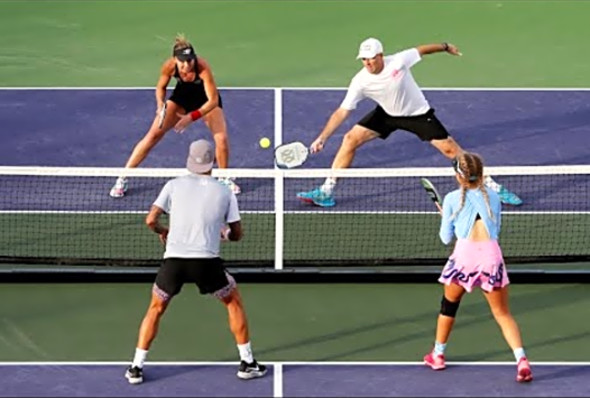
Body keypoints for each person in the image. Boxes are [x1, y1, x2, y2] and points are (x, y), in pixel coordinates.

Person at [296, 37, 522, 207]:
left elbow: (423, 50)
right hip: (386, 115)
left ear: (381, 55)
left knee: (451, 150)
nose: (368, 63)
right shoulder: (360, 81)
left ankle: (491, 188)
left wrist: (445, 46)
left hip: (417, 115)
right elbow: (342, 111)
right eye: (364, 59)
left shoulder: (399, 61)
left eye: (371, 58)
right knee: (350, 139)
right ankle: (327, 191)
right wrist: (323, 137)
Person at [124, 139, 265, 384]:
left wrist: (162, 231)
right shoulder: (225, 191)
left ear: (190, 160)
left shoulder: (173, 185)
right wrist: (225, 234)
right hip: (206, 264)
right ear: (213, 162)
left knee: (155, 309)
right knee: (233, 301)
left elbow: (150, 220)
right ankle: (248, 363)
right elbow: (237, 234)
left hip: (174, 262)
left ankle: (136, 367)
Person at [423, 152, 532, 383]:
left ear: (458, 175)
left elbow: (445, 238)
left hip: (464, 259)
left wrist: (447, 218)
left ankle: (438, 355)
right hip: (491, 258)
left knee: (448, 308)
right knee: (502, 314)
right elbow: (495, 229)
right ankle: (521, 360)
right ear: (481, 174)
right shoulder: (493, 197)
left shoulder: (452, 199)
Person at [110, 34, 240, 197]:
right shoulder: (169, 66)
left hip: (205, 100)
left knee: (221, 138)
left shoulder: (202, 67)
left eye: (190, 60)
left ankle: (223, 177)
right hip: (182, 98)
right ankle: (123, 178)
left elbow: (213, 100)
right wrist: (160, 105)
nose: (187, 65)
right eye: (183, 62)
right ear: (175, 60)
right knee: (153, 135)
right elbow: (161, 87)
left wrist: (191, 117)